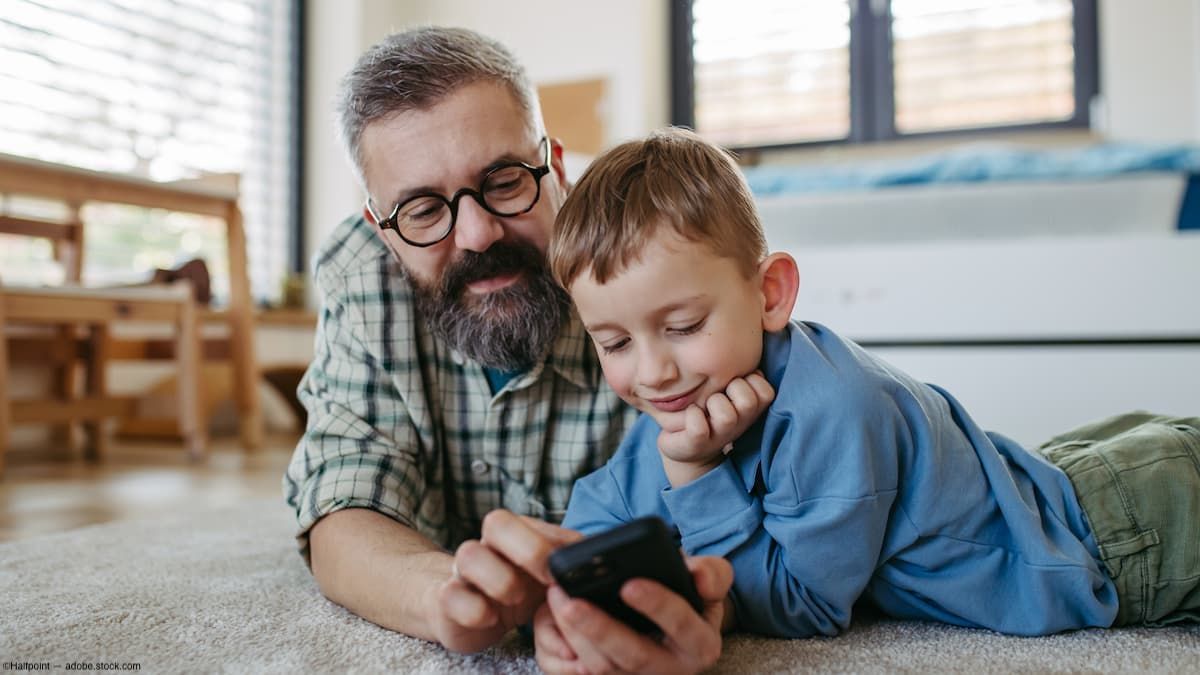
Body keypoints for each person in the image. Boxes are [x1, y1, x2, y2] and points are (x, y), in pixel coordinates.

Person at [535, 126, 1200, 672]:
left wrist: (697, 476)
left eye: (682, 327)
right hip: (1070, 472)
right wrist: (565, 597)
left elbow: (805, 607)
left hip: (1125, 537)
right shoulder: (687, 397)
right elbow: (602, 511)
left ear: (770, 294)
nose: (652, 372)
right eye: (615, 342)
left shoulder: (833, 408)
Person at [282, 27, 767, 669]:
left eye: (505, 180)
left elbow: (769, 488)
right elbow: (342, 505)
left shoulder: (654, 258)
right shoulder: (357, 275)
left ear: (555, 165)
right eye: (424, 210)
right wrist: (444, 595)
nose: (479, 234)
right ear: (382, 231)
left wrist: (714, 606)